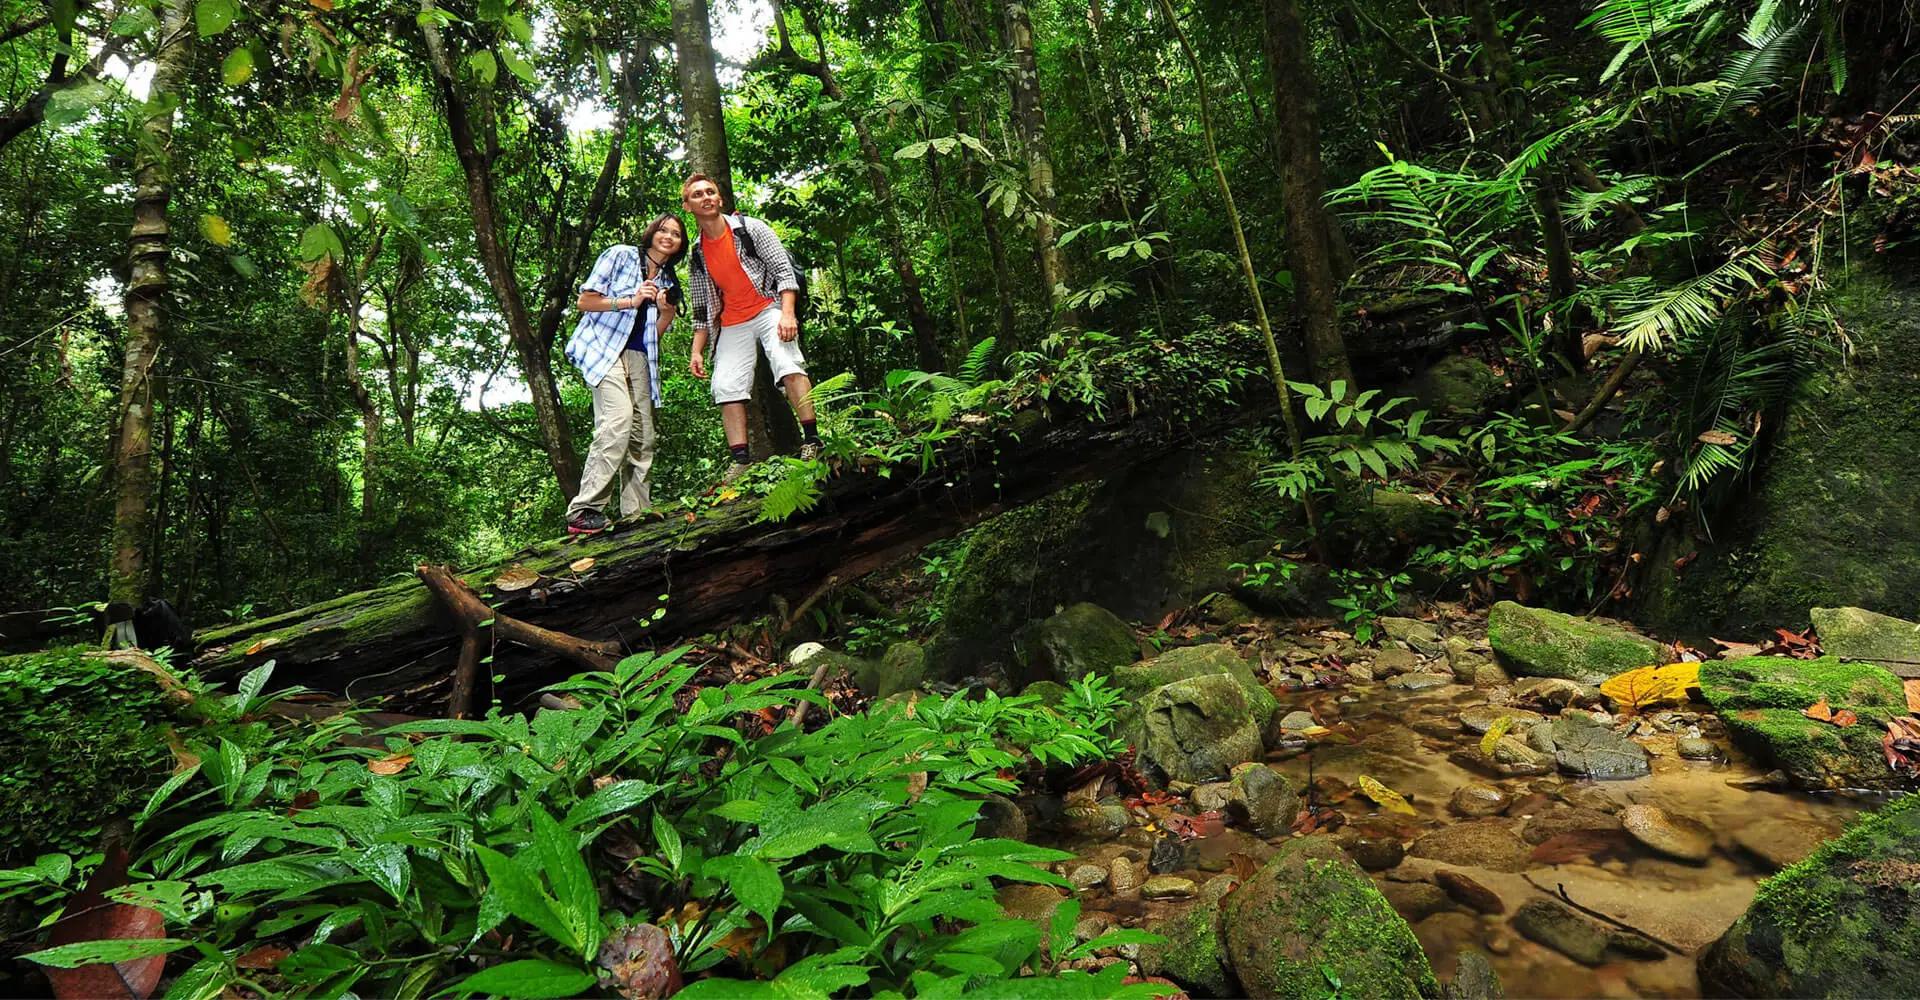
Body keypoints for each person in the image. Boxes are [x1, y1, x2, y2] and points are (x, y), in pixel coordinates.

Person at [681, 173, 822, 485]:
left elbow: (784, 272)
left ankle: (812, 441)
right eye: (697, 195)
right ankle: (741, 461)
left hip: (768, 305)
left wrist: (787, 314)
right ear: (688, 206)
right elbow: (702, 308)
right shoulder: (698, 253)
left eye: (710, 191)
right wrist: (696, 350)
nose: (706, 197)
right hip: (732, 321)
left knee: (787, 363)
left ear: (719, 199)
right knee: (725, 384)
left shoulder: (750, 228)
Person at [561, 213, 687, 535]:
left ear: (680, 244)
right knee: (617, 421)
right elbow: (584, 301)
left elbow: (652, 336)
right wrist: (631, 300)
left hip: (639, 357)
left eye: (676, 233)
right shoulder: (620, 255)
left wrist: (667, 312)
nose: (669, 236)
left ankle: (636, 512)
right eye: (663, 230)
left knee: (644, 436)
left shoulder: (668, 281)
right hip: (604, 348)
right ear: (651, 233)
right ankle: (584, 510)